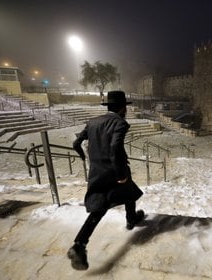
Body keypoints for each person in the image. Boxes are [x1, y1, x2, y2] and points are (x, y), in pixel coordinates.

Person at [67, 90, 145, 270]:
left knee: (103, 206)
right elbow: (114, 149)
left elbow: (76, 143)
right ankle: (131, 219)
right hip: (113, 171)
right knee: (127, 188)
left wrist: (84, 158)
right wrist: (120, 174)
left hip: (97, 172)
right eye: (125, 107)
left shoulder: (93, 122)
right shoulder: (120, 123)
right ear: (123, 107)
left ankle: (79, 244)